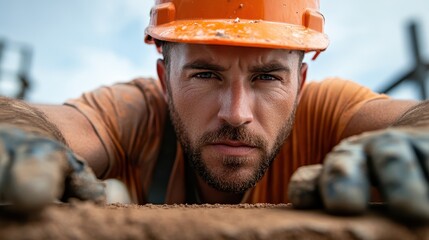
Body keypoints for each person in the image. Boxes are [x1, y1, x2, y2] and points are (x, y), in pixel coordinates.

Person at [1, 0, 429, 220]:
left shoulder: (327, 111)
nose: (236, 113)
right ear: (164, 80)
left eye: (267, 78)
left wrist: (417, 138)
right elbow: (47, 122)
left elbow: (414, 118)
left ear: (299, 85)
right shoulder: (135, 112)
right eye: (205, 75)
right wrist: (17, 131)